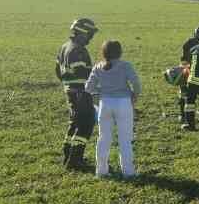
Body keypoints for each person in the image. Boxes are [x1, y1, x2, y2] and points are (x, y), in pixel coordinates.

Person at [85, 40, 141, 178]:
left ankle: (101, 171)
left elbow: (88, 88)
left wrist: (101, 91)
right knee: (125, 139)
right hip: (123, 103)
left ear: (103, 53)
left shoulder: (98, 67)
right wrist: (134, 95)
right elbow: (136, 83)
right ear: (120, 52)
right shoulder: (125, 66)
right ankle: (128, 172)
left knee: (103, 138)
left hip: (105, 104)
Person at [55, 18, 98, 170]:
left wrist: (67, 84)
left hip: (70, 91)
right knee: (85, 124)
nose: (91, 38)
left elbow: (58, 71)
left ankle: (67, 155)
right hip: (81, 92)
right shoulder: (78, 50)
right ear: (83, 33)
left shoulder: (64, 47)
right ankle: (75, 159)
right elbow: (82, 73)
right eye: (90, 35)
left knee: (74, 122)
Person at [179, 26, 199, 126]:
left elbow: (183, 59)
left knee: (185, 94)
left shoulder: (188, 43)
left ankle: (183, 115)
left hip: (189, 70)